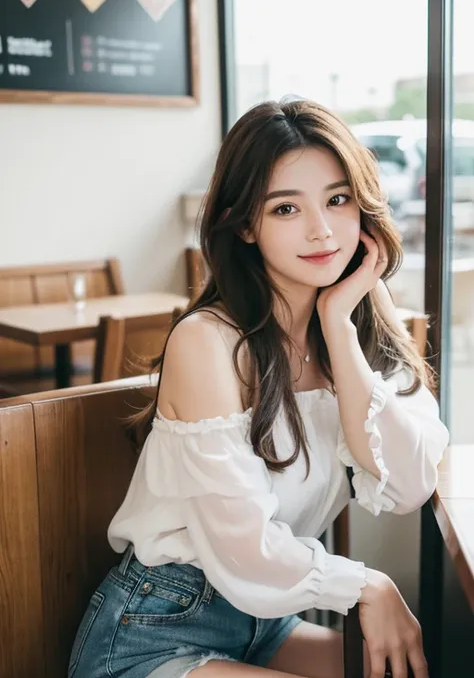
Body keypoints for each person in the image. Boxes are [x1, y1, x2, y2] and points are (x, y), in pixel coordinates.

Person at [68, 100, 449, 678]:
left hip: (265, 620)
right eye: (286, 208)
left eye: (338, 199)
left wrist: (339, 330)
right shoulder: (207, 342)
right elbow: (242, 549)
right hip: (155, 632)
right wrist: (367, 585)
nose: (321, 229)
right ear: (245, 224)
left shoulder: (360, 326)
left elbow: (411, 484)